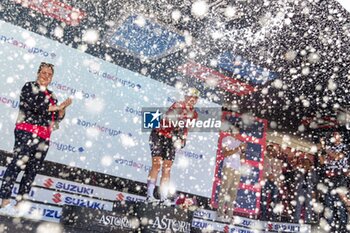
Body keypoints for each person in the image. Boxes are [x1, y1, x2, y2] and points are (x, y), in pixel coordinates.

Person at [0, 62, 72, 214]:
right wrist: (55, 108)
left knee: (31, 171)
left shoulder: (52, 96)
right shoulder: (29, 87)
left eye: (49, 74)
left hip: (44, 137)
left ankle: (19, 205)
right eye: (44, 72)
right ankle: (5, 200)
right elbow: (32, 107)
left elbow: (55, 118)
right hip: (26, 132)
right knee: (16, 165)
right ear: (38, 73)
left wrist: (61, 111)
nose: (46, 76)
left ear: (52, 78)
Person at [146, 88, 199, 204]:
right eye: (190, 97)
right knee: (156, 164)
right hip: (159, 134)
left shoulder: (194, 114)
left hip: (171, 139)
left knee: (167, 167)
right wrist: (178, 131)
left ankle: (164, 197)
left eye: (195, 98)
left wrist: (183, 139)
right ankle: (149, 196)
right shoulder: (178, 105)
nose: (192, 100)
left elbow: (186, 128)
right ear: (186, 97)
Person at [319, 131, 348, 232]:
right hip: (329, 178)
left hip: (339, 177)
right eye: (334, 135)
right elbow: (323, 162)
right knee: (328, 204)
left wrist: (325, 147)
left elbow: (336, 156)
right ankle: (330, 227)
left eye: (337, 135)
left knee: (340, 204)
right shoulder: (329, 148)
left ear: (340, 137)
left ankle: (343, 227)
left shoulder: (345, 147)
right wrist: (320, 151)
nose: (334, 137)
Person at [216, 128, 246, 222]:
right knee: (224, 190)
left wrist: (243, 151)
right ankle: (220, 214)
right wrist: (237, 148)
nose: (236, 132)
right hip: (228, 167)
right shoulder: (226, 139)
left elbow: (242, 158)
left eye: (237, 130)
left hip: (237, 169)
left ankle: (229, 216)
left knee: (233, 194)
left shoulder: (239, 142)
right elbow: (225, 153)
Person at [260, 144, 283, 221]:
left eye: (272, 150)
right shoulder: (262, 159)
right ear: (266, 151)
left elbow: (279, 173)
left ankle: (273, 216)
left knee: (274, 199)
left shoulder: (278, 161)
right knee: (263, 199)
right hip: (265, 180)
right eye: (269, 150)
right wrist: (267, 175)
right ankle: (263, 215)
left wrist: (274, 177)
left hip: (275, 182)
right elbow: (261, 171)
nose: (270, 152)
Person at [293, 157, 317, 224]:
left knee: (308, 206)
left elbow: (314, 180)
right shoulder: (299, 170)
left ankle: (308, 222)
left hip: (309, 190)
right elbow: (295, 178)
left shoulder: (312, 171)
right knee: (298, 206)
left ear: (310, 164)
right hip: (300, 190)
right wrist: (302, 172)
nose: (306, 164)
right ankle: (296, 221)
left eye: (307, 162)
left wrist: (309, 172)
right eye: (305, 162)